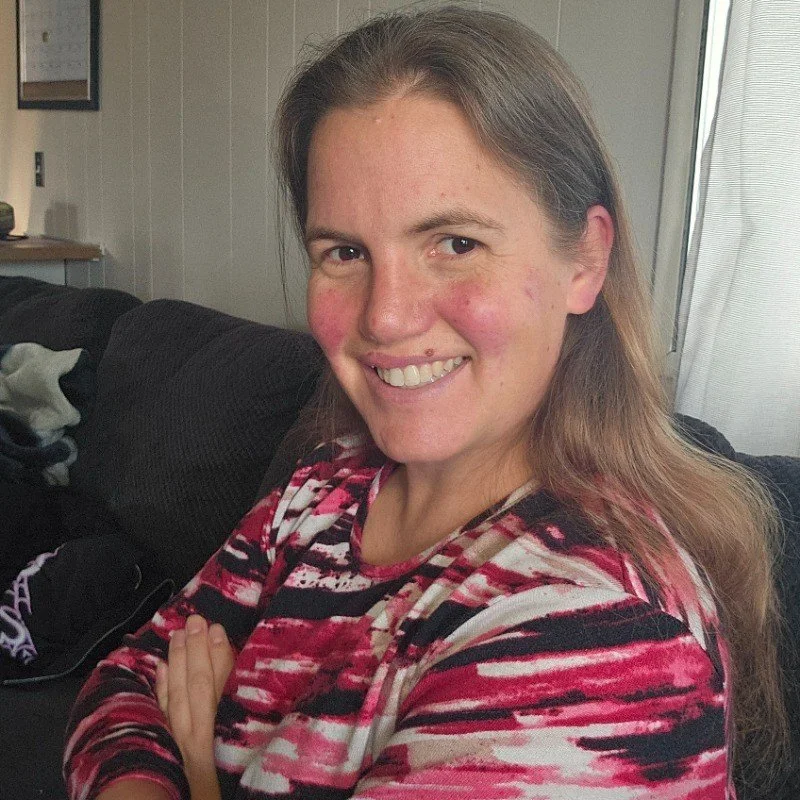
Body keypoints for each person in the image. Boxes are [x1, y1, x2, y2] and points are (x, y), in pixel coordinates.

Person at [63, 6, 787, 800]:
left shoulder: (599, 634)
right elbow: (126, 681)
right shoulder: (324, 492)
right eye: (345, 251)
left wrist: (197, 774)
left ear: (585, 260)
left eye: (455, 243)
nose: (385, 317)